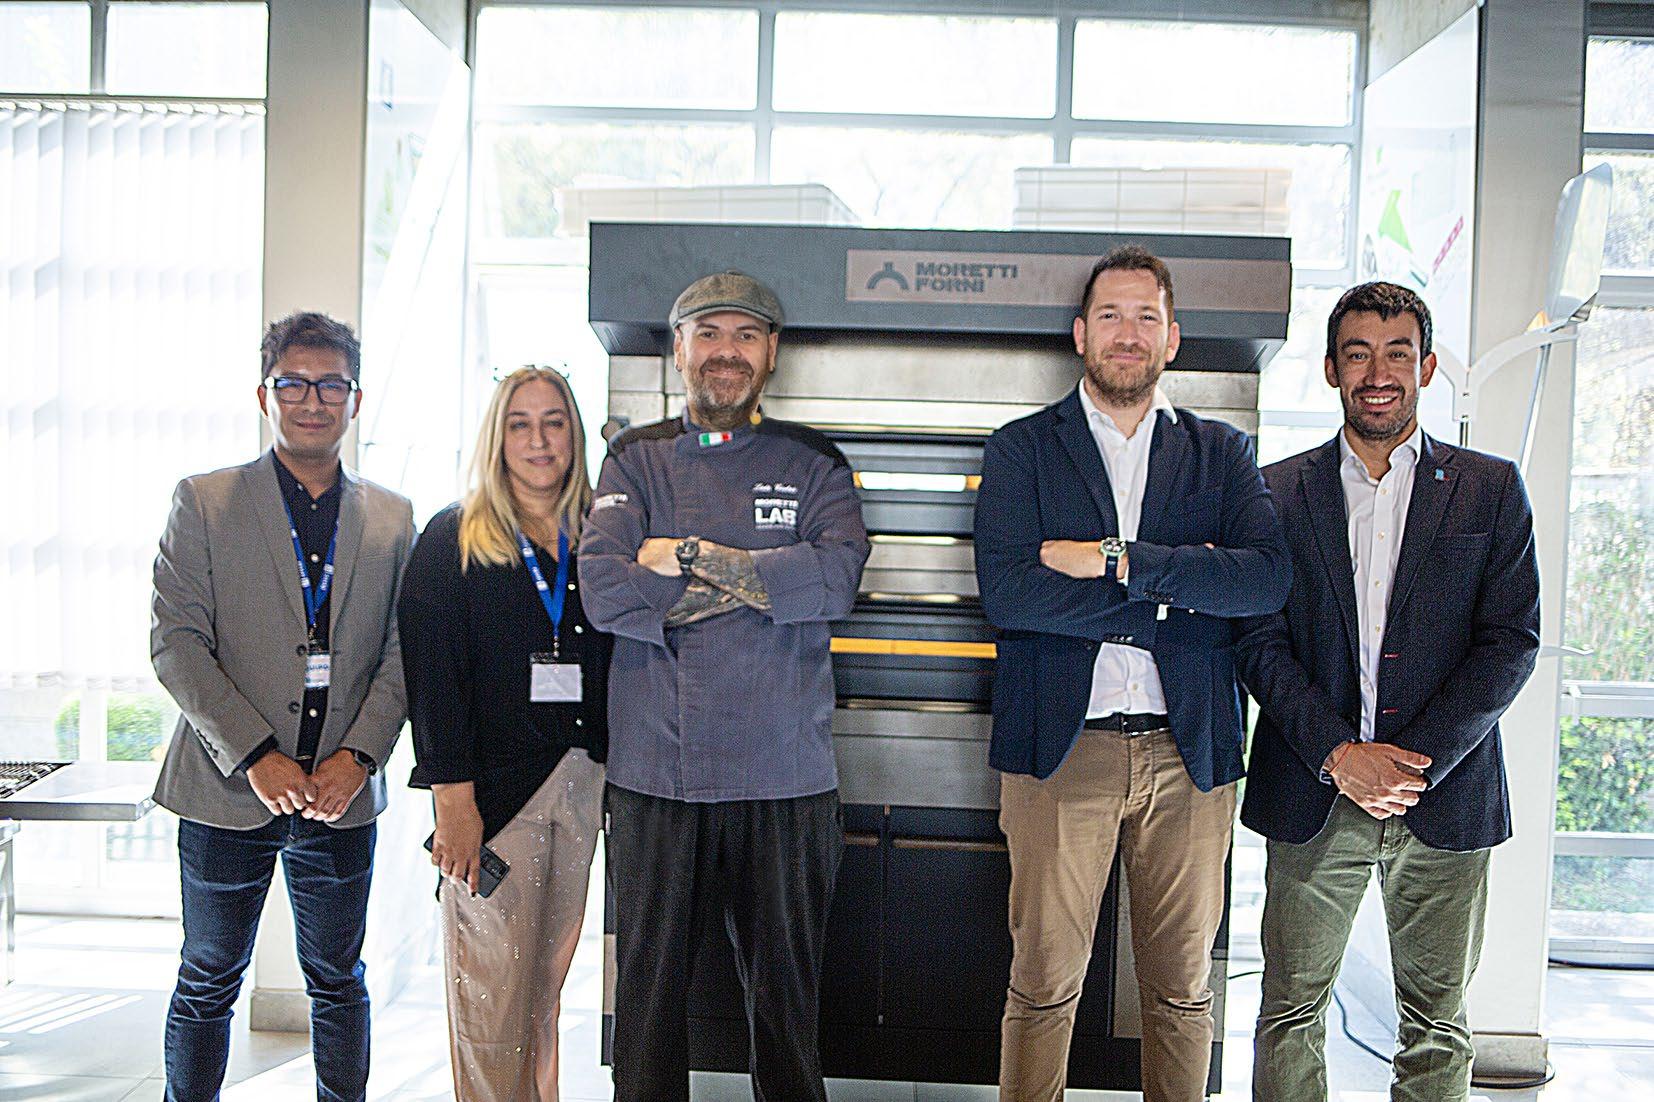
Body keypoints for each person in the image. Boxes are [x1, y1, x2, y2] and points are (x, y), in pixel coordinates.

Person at [972, 245, 1292, 1102]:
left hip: (1189, 756)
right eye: (1111, 315)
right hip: (1059, 751)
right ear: (1081, 333)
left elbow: (1263, 580)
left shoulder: (1223, 452)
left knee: (1183, 993)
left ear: (1172, 338)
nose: (1128, 333)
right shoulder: (1022, 450)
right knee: (1043, 987)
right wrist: (1172, 602)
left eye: (1146, 317)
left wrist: (1117, 560)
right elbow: (1011, 594)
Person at [1236, 282, 1540, 1102]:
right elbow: (1256, 642)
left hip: (1445, 793)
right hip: (1313, 788)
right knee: (1290, 1010)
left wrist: (1409, 764)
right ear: (1331, 369)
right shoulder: (1272, 492)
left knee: (1437, 1023)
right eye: (1359, 354)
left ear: (1426, 367)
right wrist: (1342, 756)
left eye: (1397, 353)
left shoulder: (1490, 489)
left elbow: (1511, 642)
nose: (1378, 373)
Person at [578, 270, 870, 1102]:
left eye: (745, 335)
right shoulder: (634, 459)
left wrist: (688, 557)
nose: (726, 352)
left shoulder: (814, 463)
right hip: (656, 777)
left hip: (785, 778)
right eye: (707, 334)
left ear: (772, 353)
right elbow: (604, 591)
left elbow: (836, 581)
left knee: (787, 1009)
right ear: (678, 350)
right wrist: (769, 583)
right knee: (647, 1003)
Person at [151, 312, 414, 1102]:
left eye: (331, 385)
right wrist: (256, 755)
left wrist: (358, 757)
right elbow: (177, 645)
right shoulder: (205, 501)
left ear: (355, 400)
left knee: (337, 979)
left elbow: (405, 653)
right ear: (264, 395)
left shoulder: (393, 517)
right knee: (208, 978)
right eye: (293, 383)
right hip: (227, 790)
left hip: (341, 792)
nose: (312, 401)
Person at [397, 366, 612, 1101]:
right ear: (497, 437)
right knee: (491, 1000)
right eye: (520, 424)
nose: (538, 440)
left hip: (581, 782)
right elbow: (433, 680)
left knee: (544, 990)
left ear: (574, 435)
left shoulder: (599, 536)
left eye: (554, 423)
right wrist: (452, 805)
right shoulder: (454, 537)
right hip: (491, 799)